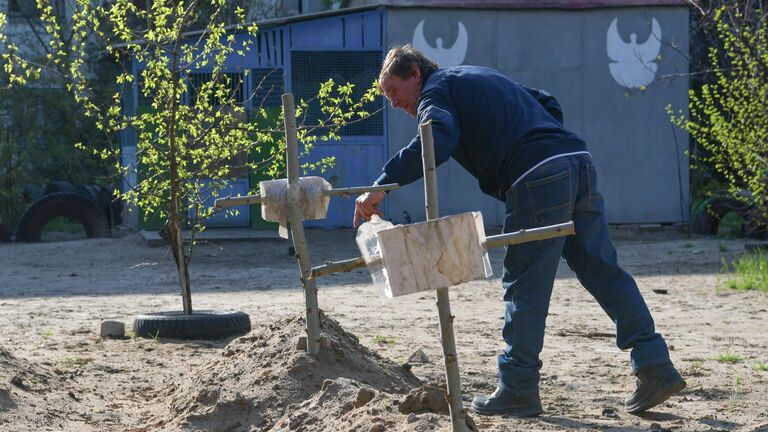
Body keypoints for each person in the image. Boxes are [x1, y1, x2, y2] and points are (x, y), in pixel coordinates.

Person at [353, 44, 686, 417]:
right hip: (577, 163)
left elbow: (435, 139)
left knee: (525, 283)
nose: (394, 103)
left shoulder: (437, 91)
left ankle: (517, 387)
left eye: (393, 91)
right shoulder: (476, 75)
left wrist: (381, 185)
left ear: (414, 73)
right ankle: (654, 364)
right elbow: (547, 103)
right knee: (602, 270)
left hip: (538, 178)